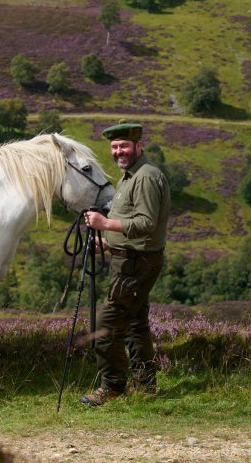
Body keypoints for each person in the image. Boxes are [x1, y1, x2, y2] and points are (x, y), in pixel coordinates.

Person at [80, 122, 171, 406]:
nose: (119, 151)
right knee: (135, 325)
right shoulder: (129, 177)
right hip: (130, 260)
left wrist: (105, 223)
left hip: (136, 265)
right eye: (115, 147)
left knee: (104, 326)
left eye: (124, 146)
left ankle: (113, 386)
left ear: (139, 146)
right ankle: (145, 387)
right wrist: (107, 243)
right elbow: (135, 225)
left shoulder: (144, 177)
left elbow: (146, 223)